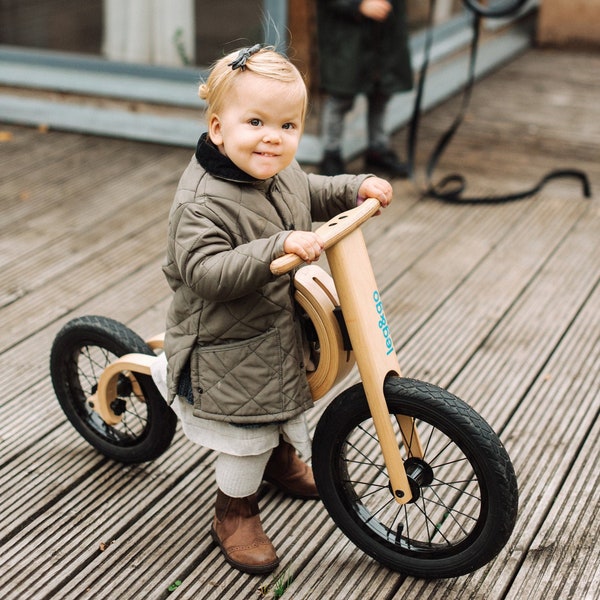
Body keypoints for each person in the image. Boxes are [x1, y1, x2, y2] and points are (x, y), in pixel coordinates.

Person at [161, 45, 392, 575]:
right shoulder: (202, 201)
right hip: (225, 339)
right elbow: (206, 274)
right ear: (218, 128)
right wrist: (276, 247)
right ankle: (234, 511)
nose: (273, 137)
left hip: (275, 324)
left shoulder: (275, 170)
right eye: (257, 122)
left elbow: (308, 191)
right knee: (246, 433)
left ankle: (283, 462)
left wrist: (352, 187)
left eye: (288, 125)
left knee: (289, 399)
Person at [317, 0, 413, 176]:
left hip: (385, 36)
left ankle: (378, 149)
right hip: (348, 36)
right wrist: (357, 5)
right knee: (341, 97)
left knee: (381, 95)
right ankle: (331, 153)